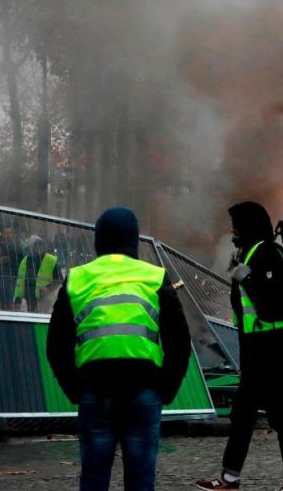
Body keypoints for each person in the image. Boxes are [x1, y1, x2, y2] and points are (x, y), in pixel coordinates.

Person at [46, 207, 191, 491]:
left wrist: (75, 388)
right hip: (144, 391)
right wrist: (166, 388)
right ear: (134, 240)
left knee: (94, 478)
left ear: (98, 240)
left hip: (95, 392)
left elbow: (56, 344)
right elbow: (179, 341)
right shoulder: (154, 276)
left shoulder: (78, 278)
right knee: (140, 479)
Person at [196, 202, 283, 491]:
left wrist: (248, 279)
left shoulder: (270, 253)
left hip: (271, 347)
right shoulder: (252, 253)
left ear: (249, 226)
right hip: (256, 348)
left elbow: (271, 307)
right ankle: (231, 477)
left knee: (279, 414)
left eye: (236, 225)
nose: (232, 230)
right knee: (246, 413)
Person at [14, 235, 63, 313]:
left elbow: (59, 279)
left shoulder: (51, 260)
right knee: (33, 321)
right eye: (36, 245)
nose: (39, 247)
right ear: (31, 247)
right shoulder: (26, 261)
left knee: (41, 321)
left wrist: (48, 288)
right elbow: (20, 281)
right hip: (30, 298)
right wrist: (18, 299)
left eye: (40, 244)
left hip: (45, 299)